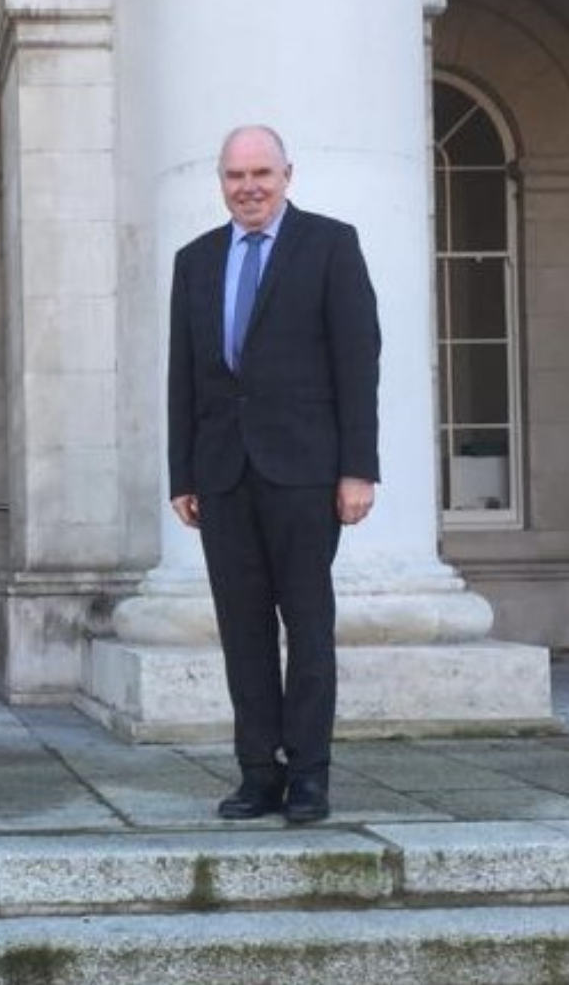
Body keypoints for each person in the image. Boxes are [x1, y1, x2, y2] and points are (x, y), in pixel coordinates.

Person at [167, 125, 380, 824]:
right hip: (223, 474)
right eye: (235, 176)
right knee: (244, 629)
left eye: (261, 172)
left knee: (309, 627)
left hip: (305, 473)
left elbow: (357, 362)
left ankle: (310, 775)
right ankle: (259, 772)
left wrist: (358, 469)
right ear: (220, 181)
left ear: (287, 173)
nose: (248, 187)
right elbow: (184, 376)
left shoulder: (329, 245)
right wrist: (182, 473)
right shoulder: (195, 260)